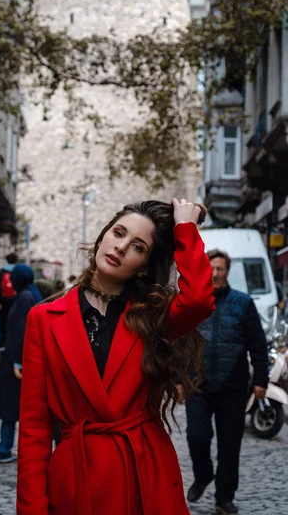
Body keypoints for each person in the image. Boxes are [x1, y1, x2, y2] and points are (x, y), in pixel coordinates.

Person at [17, 199, 215, 515]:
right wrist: (31, 509)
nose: (121, 247)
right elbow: (34, 429)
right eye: (118, 233)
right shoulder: (43, 319)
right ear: (103, 236)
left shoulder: (153, 316)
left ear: (145, 265)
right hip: (76, 479)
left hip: (143, 473)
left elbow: (199, 302)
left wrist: (185, 229)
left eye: (137, 246)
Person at [185, 248, 269, 515]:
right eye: (212, 268)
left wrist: (261, 379)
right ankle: (203, 474)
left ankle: (224, 497)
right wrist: (177, 379)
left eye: (221, 268)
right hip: (197, 385)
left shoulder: (243, 303)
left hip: (233, 386)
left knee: (229, 446)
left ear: (227, 271)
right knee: (196, 437)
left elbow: (257, 343)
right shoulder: (195, 302)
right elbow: (180, 342)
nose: (216, 273)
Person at [0, 264, 42, 463]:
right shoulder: (29, 294)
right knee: (13, 406)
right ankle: (6, 446)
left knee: (10, 406)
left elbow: (22, 330)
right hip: (18, 358)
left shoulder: (26, 297)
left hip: (17, 361)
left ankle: (5, 447)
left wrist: (18, 362)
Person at [0, 253, 18, 348]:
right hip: (14, 300)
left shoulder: (1, 272)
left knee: (2, 322)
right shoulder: (17, 271)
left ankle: (1, 343)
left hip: (3, 300)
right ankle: (11, 343)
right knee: (13, 322)